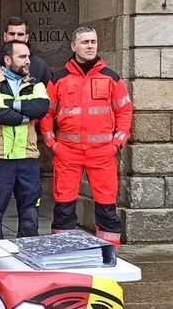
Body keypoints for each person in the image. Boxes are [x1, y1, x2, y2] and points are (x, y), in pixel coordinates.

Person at [39, 27, 132, 246]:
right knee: (64, 206)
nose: (90, 46)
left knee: (107, 206)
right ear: (73, 46)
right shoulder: (59, 79)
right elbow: (46, 114)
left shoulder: (111, 78)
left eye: (93, 42)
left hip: (103, 152)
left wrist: (117, 143)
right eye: (85, 42)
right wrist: (53, 144)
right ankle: (64, 250)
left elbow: (125, 111)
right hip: (67, 152)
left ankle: (109, 252)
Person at [0, 41, 49, 239]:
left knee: (30, 213)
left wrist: (12, 106)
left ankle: (27, 260)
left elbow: (41, 108)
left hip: (27, 156)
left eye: (28, 56)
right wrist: (26, 116)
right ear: (7, 60)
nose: (28, 61)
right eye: (22, 57)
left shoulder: (36, 84)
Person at [0, 16, 52, 84]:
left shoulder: (41, 67)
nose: (15, 38)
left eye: (20, 34)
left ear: (26, 38)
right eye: (12, 34)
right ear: (5, 36)